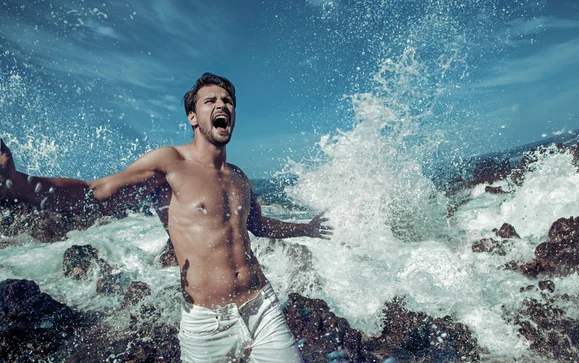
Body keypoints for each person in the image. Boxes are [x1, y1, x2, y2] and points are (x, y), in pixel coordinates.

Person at [0, 72, 332, 362]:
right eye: (210, 101)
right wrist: (16, 181)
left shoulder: (240, 177)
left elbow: (258, 226)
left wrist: (307, 228)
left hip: (262, 307)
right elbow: (96, 191)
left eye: (228, 101)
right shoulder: (170, 162)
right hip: (206, 323)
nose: (222, 106)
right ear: (192, 116)